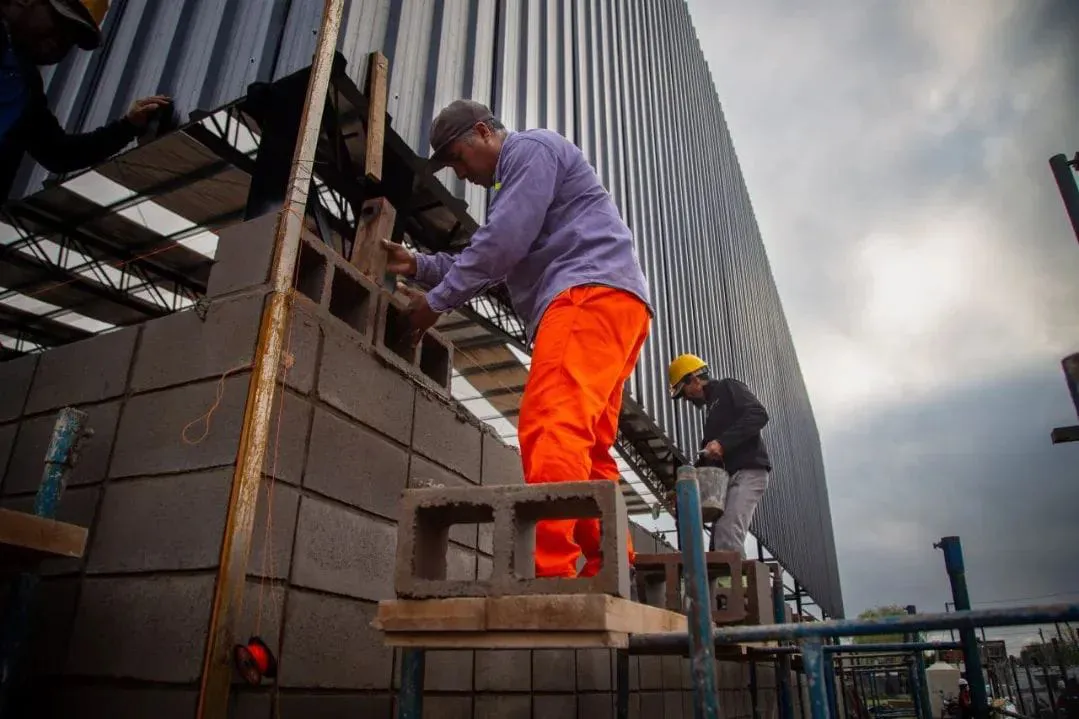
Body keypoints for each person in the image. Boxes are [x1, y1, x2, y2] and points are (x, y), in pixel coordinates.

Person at [382, 99, 653, 579]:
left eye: (458, 158)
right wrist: (418, 265)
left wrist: (434, 303)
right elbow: (495, 255)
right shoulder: (524, 181)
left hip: (584, 296)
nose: (460, 174)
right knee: (587, 445)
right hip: (613, 303)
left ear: (484, 132)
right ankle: (609, 567)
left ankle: (549, 571)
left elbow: (499, 246)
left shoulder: (530, 150)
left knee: (550, 423)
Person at [0, 0, 171, 201]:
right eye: (59, 23)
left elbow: (59, 154)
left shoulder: (26, 87)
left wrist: (128, 126)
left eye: (71, 39)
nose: (58, 43)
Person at [667, 353, 771, 554]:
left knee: (727, 531)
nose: (686, 398)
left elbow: (759, 414)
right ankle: (727, 582)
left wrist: (722, 443)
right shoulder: (711, 414)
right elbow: (708, 457)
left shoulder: (728, 387)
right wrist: (681, 486)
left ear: (695, 380)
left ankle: (735, 585)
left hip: (749, 472)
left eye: (684, 391)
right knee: (717, 543)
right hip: (729, 477)